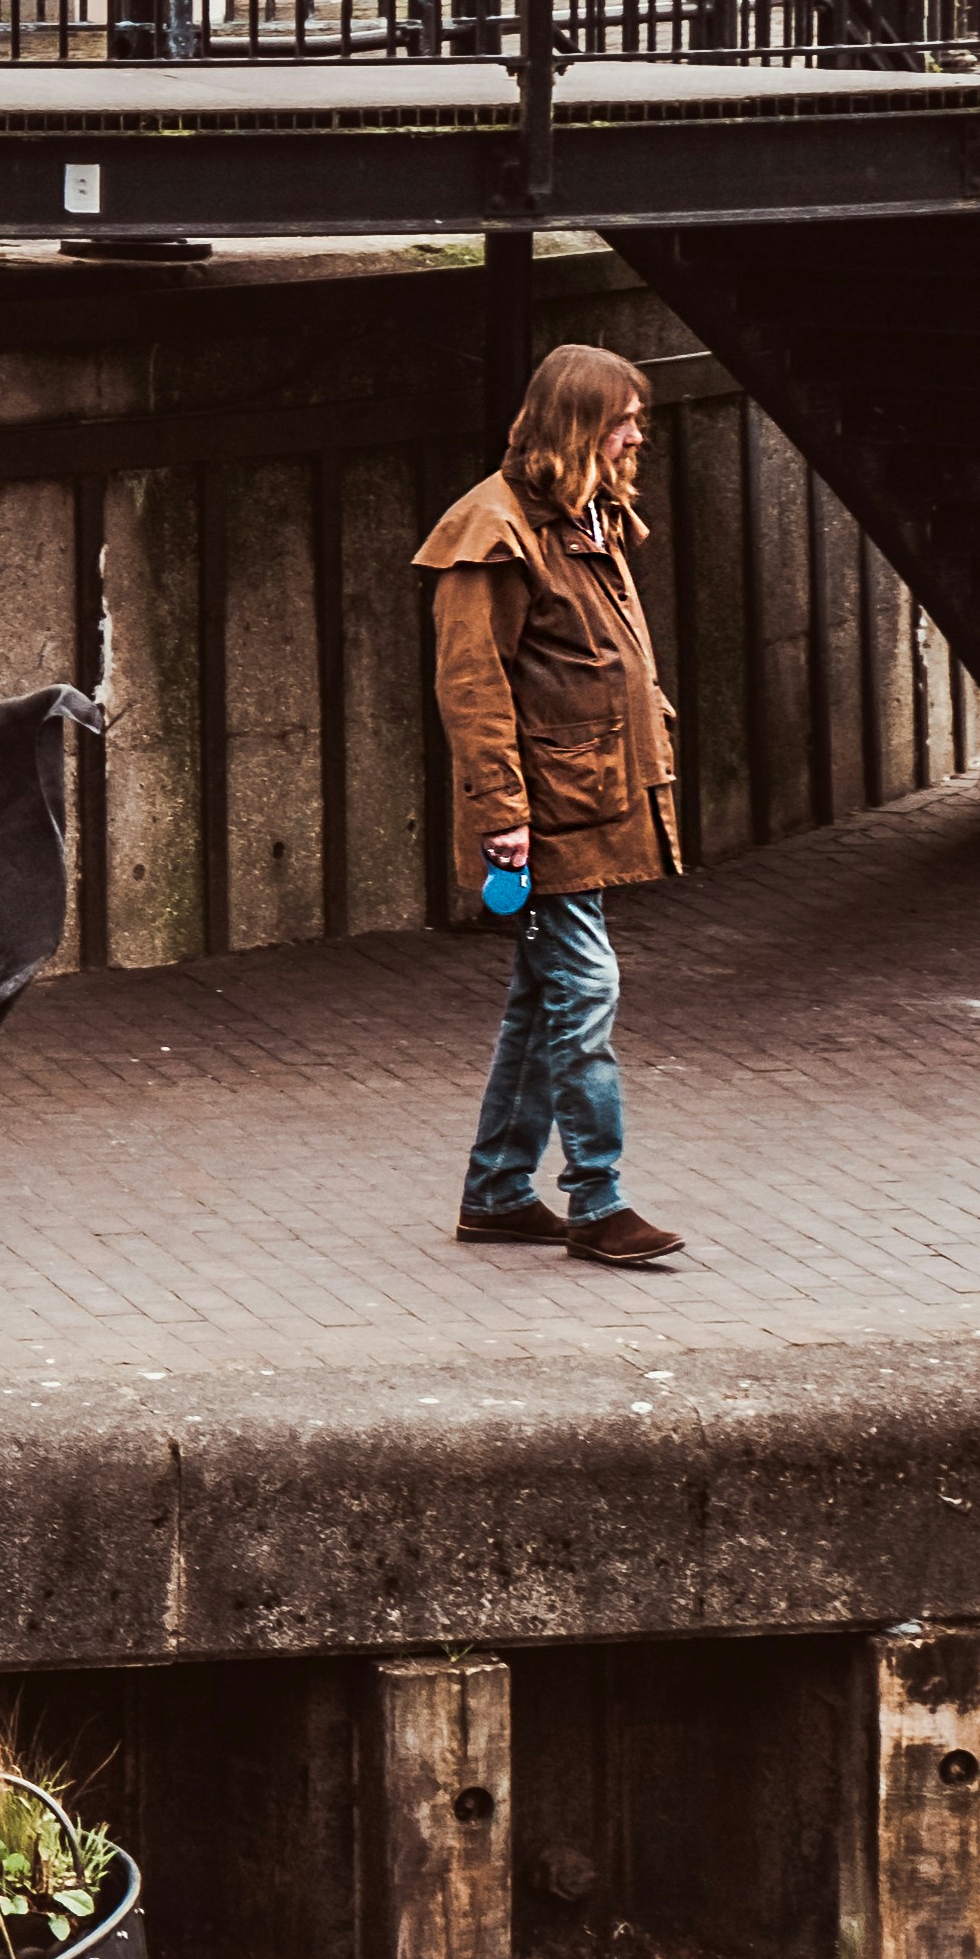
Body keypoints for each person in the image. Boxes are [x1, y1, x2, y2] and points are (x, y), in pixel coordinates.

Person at [413, 342, 683, 1266]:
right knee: (586, 989)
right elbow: (472, 688)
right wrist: (502, 816)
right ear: (579, 424)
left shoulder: (585, 516)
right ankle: (598, 1201)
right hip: (544, 813)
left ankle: (494, 1191)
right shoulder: (490, 532)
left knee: (544, 997)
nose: (634, 436)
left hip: (584, 798)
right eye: (622, 420)